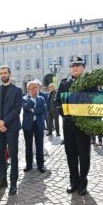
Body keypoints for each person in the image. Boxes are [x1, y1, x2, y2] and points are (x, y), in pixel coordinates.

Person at [54, 55, 91, 196]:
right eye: (72, 66)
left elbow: (96, 102)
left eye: (78, 65)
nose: (74, 67)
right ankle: (73, 181)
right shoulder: (64, 84)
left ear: (83, 67)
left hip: (85, 127)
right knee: (71, 155)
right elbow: (57, 102)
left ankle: (83, 183)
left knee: (84, 156)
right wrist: (66, 114)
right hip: (69, 127)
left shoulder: (90, 84)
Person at [0, 65, 23, 195]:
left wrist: (5, 122)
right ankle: (2, 180)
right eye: (1, 73)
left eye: (5, 73)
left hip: (12, 127)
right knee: (0, 155)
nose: (3, 75)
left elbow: (17, 109)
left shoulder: (17, 90)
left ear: (10, 74)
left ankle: (13, 183)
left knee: (13, 155)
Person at [22, 81, 47, 173]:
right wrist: (32, 99)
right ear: (28, 89)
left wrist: (32, 110)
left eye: (36, 87)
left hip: (39, 124)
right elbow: (25, 108)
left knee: (39, 145)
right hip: (28, 125)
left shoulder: (41, 98)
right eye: (33, 88)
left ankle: (41, 165)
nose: (35, 89)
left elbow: (43, 110)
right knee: (28, 146)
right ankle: (29, 165)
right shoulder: (24, 98)